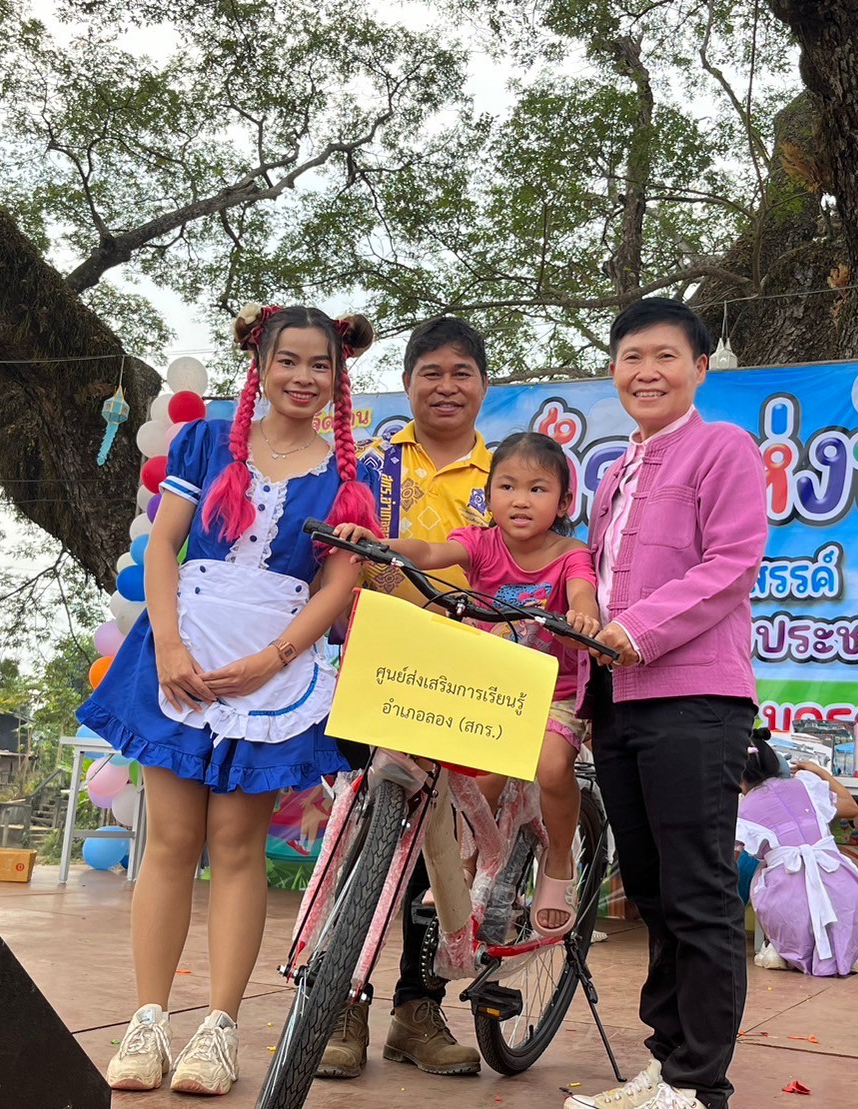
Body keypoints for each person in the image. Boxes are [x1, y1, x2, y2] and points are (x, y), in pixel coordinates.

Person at [79, 304, 377, 1097]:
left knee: (238, 847)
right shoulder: (205, 442)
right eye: (289, 360)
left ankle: (218, 1028)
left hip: (274, 661)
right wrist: (168, 645)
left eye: (320, 364)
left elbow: (339, 583)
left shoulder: (354, 475)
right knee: (171, 840)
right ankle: (147, 1020)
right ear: (260, 363)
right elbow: (164, 543)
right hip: (185, 644)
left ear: (338, 375)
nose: (303, 377)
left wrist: (274, 658)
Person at [565, 298, 769, 1109]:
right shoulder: (614, 471)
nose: (645, 372)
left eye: (664, 356)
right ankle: (667, 1064)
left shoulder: (723, 447)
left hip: (695, 700)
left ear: (699, 368)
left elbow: (731, 563)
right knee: (650, 890)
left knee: (697, 891)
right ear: (613, 369)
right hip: (617, 701)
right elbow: (594, 575)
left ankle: (698, 1084)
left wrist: (634, 630)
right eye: (630, 357)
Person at [336, 430, 602, 935]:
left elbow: (582, 593)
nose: (520, 500)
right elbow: (429, 551)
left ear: (565, 501)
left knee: (551, 768)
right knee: (477, 780)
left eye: (538, 489)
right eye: (507, 486)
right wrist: (381, 545)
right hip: (491, 691)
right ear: (489, 495)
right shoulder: (480, 542)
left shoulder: (571, 552)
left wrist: (584, 615)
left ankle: (559, 862)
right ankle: (465, 863)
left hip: (554, 692)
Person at [318, 316, 490, 1081]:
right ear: (407, 382)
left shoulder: (508, 475)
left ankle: (416, 1011)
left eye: (461, 372)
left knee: (437, 845)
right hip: (377, 670)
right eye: (431, 372)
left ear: (483, 383)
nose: (445, 386)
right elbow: (339, 559)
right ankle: (340, 1005)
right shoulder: (372, 467)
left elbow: (531, 570)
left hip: (466, 682)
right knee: (364, 833)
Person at [735, 737, 858, 977]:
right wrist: (819, 771)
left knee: (763, 872)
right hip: (848, 893)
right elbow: (851, 807)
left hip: (789, 904)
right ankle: (846, 951)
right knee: (833, 890)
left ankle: (780, 947)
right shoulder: (806, 786)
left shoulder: (743, 810)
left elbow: (728, 862)